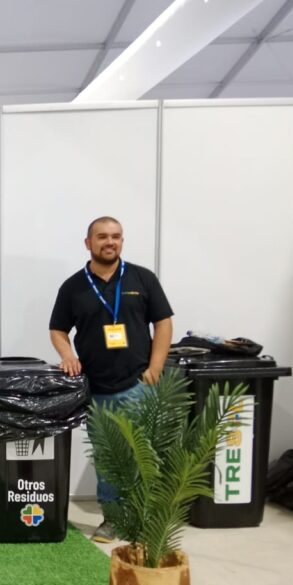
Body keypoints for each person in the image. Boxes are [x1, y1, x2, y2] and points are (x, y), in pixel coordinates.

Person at [49, 216, 174, 543]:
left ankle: (144, 519)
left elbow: (163, 322)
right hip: (97, 389)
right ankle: (113, 519)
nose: (110, 242)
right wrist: (67, 355)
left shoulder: (142, 278)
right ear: (88, 243)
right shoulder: (73, 287)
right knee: (108, 458)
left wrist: (156, 367)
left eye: (116, 236)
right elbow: (58, 329)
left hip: (139, 385)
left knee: (144, 456)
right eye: (102, 236)